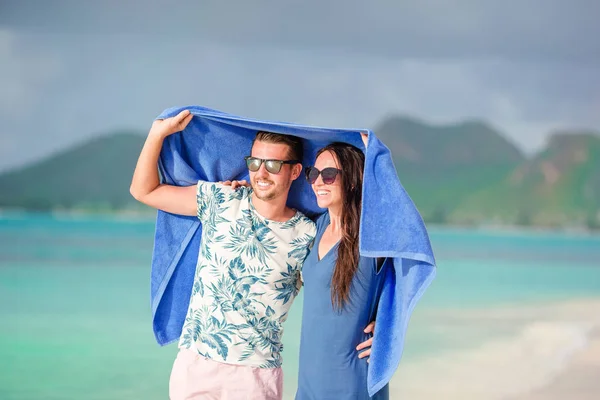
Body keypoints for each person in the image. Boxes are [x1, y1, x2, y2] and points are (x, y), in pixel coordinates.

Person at [130, 110, 373, 400]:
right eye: (255, 162)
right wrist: (157, 133)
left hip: (256, 376)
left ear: (295, 171)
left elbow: (340, 284)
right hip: (196, 364)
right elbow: (144, 190)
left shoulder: (307, 234)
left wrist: (384, 326)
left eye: (272, 164)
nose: (261, 172)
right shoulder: (220, 199)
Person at [296, 142, 388, 399]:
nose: (318, 182)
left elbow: (405, 283)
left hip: (352, 382)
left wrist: (390, 328)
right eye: (313, 174)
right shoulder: (314, 226)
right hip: (308, 382)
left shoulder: (371, 237)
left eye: (329, 175)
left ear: (351, 180)